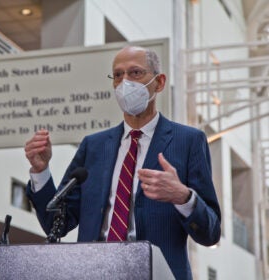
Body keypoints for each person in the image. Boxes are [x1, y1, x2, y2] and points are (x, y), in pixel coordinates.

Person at [25, 45, 221, 280]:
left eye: (135, 73)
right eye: (118, 75)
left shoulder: (188, 141)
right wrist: (40, 171)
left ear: (158, 83)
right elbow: (55, 223)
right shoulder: (94, 146)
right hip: (93, 272)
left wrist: (184, 197)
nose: (125, 82)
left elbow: (210, 233)